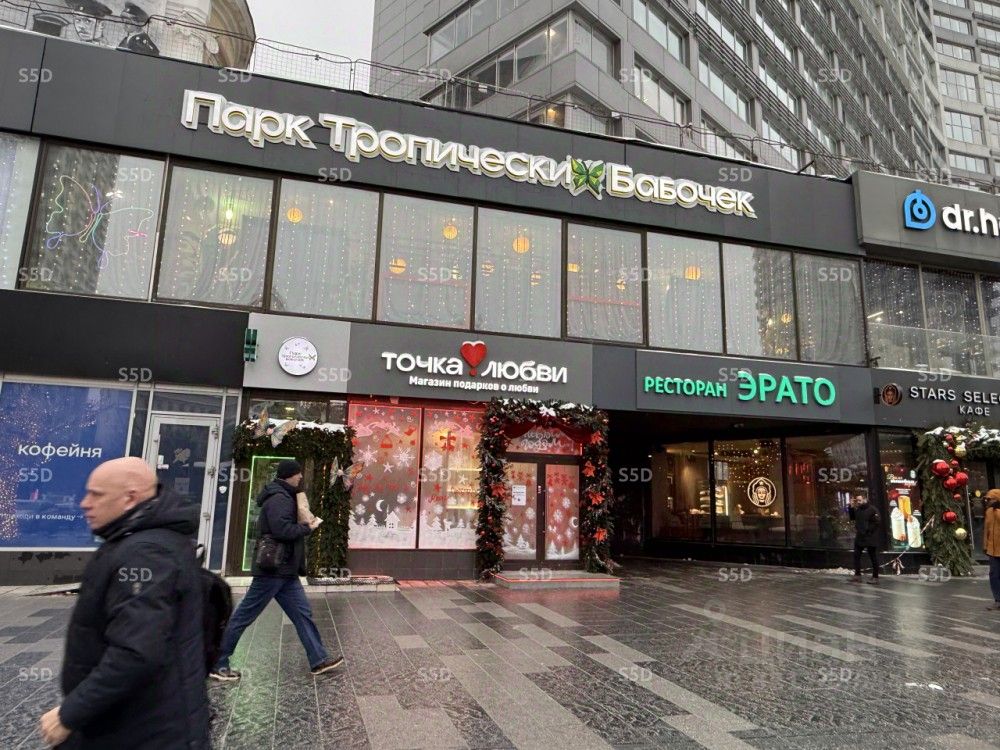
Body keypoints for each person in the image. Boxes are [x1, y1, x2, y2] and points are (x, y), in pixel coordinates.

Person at [38, 457, 209, 749]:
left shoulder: (146, 553)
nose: (85, 503)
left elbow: (135, 652)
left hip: (149, 731)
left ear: (130, 498)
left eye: (97, 495)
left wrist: (69, 714)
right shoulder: (141, 540)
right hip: (135, 721)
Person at [210, 460, 342, 680]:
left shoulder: (284, 495)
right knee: (243, 616)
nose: (301, 477)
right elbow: (282, 530)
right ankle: (218, 663)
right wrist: (307, 528)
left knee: (303, 615)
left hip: (285, 571)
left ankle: (319, 660)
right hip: (272, 570)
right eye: (298, 473)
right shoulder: (280, 498)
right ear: (289, 475)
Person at [849, 494, 881, 585]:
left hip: (870, 537)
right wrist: (851, 507)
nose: (858, 502)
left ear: (865, 499)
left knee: (873, 557)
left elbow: (877, 522)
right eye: (857, 500)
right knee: (856, 555)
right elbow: (852, 518)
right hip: (860, 537)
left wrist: (868, 530)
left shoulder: (872, 509)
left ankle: (875, 577)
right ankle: (857, 575)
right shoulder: (858, 509)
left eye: (859, 500)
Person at [984, 489, 1000, 610]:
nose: (988, 501)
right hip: (992, 550)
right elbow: (986, 530)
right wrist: (985, 546)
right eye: (987, 499)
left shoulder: (996, 511)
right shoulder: (989, 511)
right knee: (994, 575)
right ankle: (997, 600)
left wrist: (997, 510)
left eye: (990, 499)